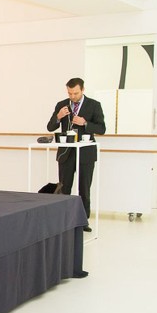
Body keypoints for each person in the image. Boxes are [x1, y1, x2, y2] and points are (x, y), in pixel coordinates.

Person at [47, 77, 106, 231]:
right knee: (64, 188)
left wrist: (85, 124)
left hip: (85, 154)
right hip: (66, 153)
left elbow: (102, 129)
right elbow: (50, 127)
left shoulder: (94, 105)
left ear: (83, 90)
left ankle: (83, 221)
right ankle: (63, 220)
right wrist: (58, 117)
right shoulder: (62, 105)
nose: (72, 96)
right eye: (70, 93)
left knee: (84, 189)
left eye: (75, 93)